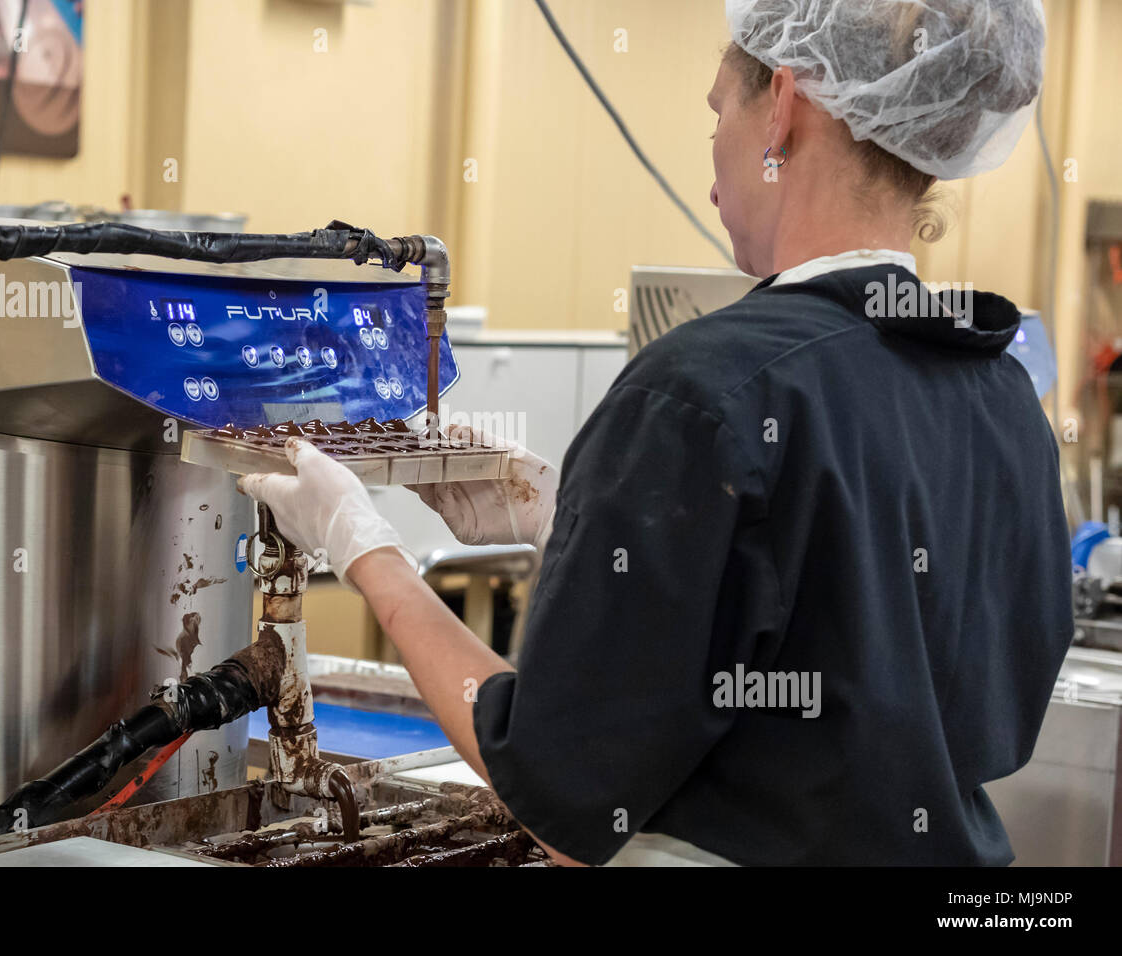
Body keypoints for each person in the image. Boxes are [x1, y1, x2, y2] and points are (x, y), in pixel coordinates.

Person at [238, 0, 1071, 866]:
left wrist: (366, 548)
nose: (712, 148)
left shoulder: (705, 389)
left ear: (782, 106)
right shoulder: (1002, 394)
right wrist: (576, 529)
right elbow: (846, 649)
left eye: (719, 109)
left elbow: (559, 802)